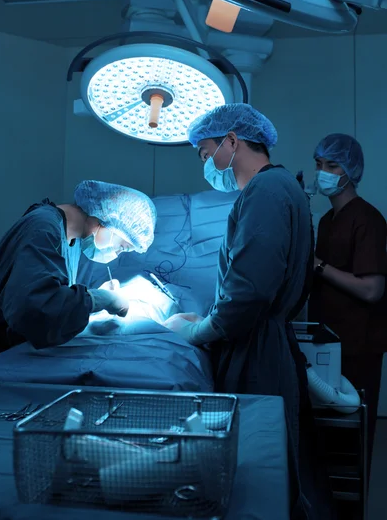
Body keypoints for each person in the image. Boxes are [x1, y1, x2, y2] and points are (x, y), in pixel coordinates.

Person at [165, 103, 335, 519]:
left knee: (256, 474)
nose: (206, 163)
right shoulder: (276, 190)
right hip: (262, 341)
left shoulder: (266, 191)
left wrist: (200, 329)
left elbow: (250, 291)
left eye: (206, 153)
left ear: (232, 141)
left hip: (257, 350)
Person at [0, 180, 157, 356]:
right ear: (108, 218)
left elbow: (48, 291)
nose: (116, 253)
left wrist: (89, 297)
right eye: (122, 246)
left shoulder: (71, 240)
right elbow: (37, 311)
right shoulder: (43, 228)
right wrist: (99, 299)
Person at [308, 133, 387, 483]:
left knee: (354, 433)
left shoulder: (367, 219)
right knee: (326, 437)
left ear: (350, 171)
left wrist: (319, 267)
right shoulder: (327, 221)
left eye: (332, 165)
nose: (323, 172)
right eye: (319, 165)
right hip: (326, 341)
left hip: (358, 345)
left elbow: (372, 289)